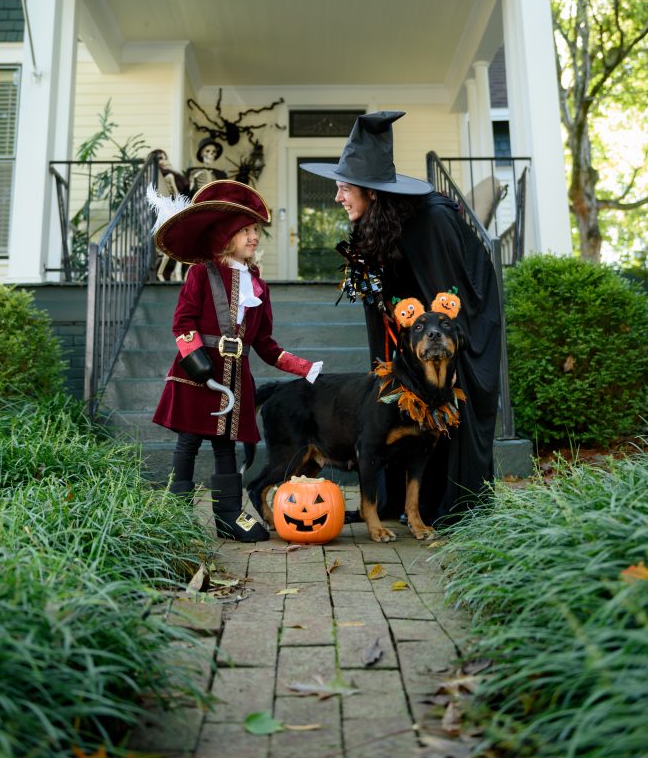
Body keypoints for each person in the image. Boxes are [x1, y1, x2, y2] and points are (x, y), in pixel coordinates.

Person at [301, 111, 501, 526]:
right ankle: (392, 503)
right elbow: (385, 291)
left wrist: (424, 337)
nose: (337, 198)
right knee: (392, 402)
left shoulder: (430, 220)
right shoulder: (378, 222)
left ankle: (438, 508)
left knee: (439, 399)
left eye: (343, 189)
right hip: (407, 326)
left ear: (371, 192)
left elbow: (449, 300)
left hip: (451, 326)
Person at [148, 179, 322, 542]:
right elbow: (182, 323)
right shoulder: (201, 273)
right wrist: (199, 364)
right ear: (226, 238)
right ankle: (176, 520)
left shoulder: (258, 286)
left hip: (235, 378)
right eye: (245, 230)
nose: (254, 237)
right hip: (197, 371)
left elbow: (265, 343)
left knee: (225, 444)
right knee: (189, 443)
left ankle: (228, 517)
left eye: (255, 230)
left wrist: (304, 368)